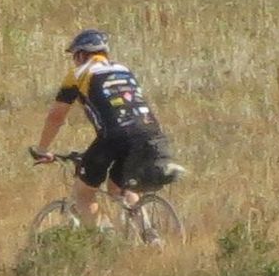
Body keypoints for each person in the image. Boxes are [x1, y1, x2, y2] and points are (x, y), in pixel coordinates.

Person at [34, 30, 174, 193]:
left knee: (83, 193)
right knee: (119, 189)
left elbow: (56, 117)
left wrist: (42, 150)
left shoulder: (79, 74)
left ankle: (95, 219)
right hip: (150, 132)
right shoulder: (124, 70)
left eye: (74, 56)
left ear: (81, 54)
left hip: (114, 136)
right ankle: (137, 217)